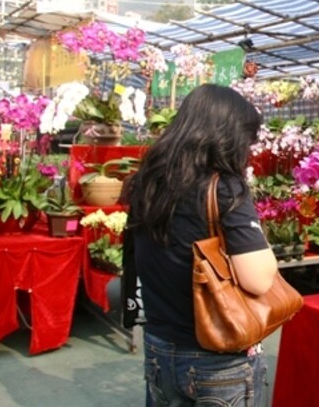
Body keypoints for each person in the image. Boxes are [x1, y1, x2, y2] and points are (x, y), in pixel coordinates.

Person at [126, 84, 278, 407]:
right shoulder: (224, 188)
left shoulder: (147, 182)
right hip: (216, 358)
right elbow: (259, 278)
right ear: (228, 137)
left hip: (158, 347)